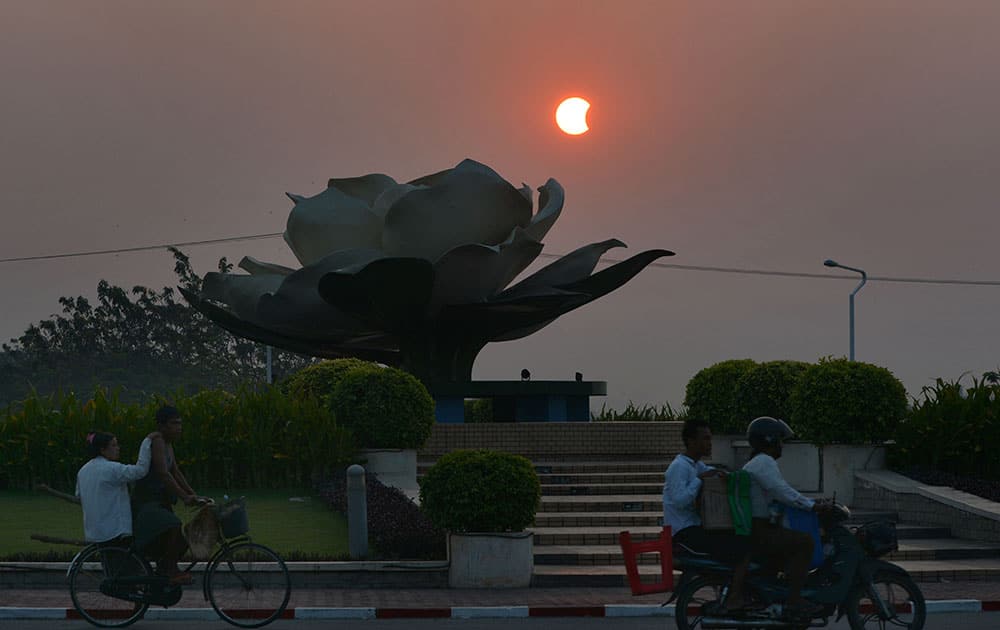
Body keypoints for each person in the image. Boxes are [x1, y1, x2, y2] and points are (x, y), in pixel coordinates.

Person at [742, 416, 826, 620]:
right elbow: (783, 492)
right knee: (805, 542)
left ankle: (777, 592)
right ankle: (794, 600)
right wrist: (813, 505)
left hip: (760, 527)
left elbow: (783, 492)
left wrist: (811, 503)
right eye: (779, 440)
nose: (782, 445)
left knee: (791, 540)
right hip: (759, 530)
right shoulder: (763, 462)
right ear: (769, 440)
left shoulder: (759, 462)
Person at [664, 419, 752, 612]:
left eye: (710, 439)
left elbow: (712, 472)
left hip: (695, 528)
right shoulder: (679, 467)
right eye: (705, 439)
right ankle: (734, 598)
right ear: (691, 441)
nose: (709, 443)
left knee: (739, 537)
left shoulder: (695, 465)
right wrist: (698, 481)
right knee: (743, 548)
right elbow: (680, 501)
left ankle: (731, 590)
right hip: (684, 534)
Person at [132, 405, 209, 585]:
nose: (179, 427)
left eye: (180, 423)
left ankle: (164, 568)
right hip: (147, 501)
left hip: (160, 500)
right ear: (161, 426)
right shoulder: (157, 439)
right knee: (174, 525)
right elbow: (163, 473)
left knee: (182, 540)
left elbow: (175, 471)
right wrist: (184, 497)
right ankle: (169, 570)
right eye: (174, 423)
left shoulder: (168, 443)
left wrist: (194, 495)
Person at [76, 431, 156, 544]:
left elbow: (79, 495)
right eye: (113, 445)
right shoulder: (112, 469)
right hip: (115, 530)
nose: (118, 448)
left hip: (93, 532)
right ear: (102, 450)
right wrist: (146, 442)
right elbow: (140, 471)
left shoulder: (82, 471)